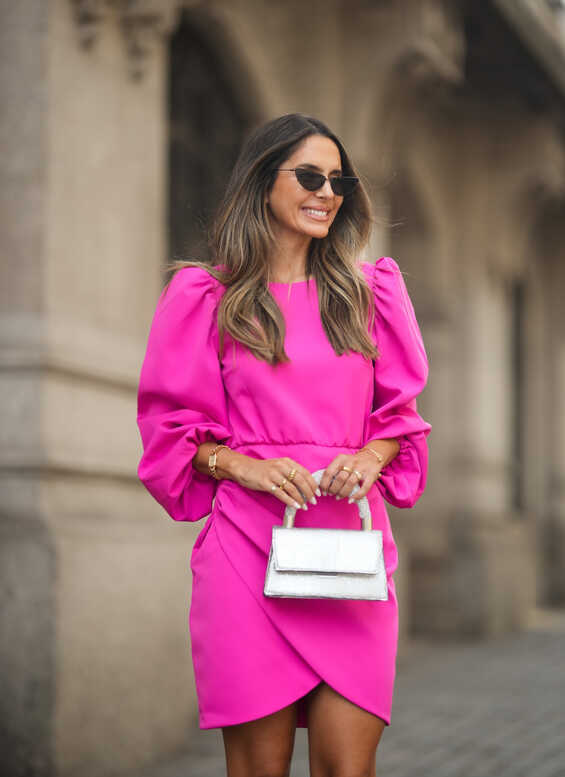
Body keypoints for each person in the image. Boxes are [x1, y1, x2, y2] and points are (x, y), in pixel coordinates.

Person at [136, 113, 431, 777]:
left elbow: (400, 418)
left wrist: (368, 456)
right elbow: (168, 433)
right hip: (245, 550)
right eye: (308, 175)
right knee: (258, 771)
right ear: (261, 181)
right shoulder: (203, 298)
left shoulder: (370, 292)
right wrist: (244, 464)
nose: (327, 191)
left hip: (350, 552)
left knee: (345, 769)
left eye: (338, 180)